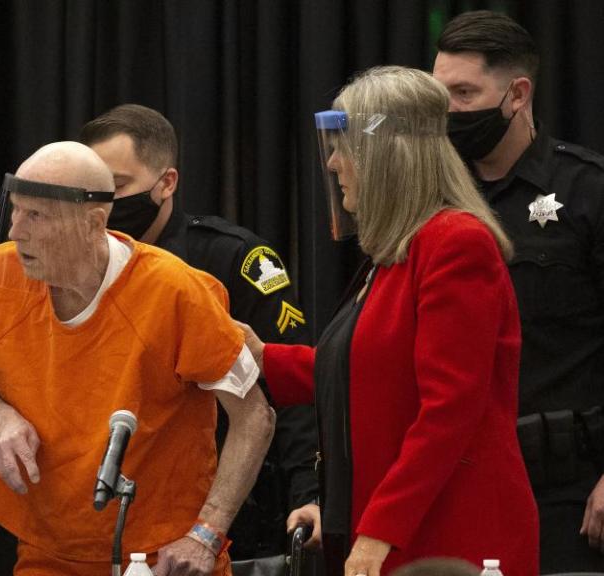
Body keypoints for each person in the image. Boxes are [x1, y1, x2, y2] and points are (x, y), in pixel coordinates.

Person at [239, 66, 538, 576]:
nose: (332, 163)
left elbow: (449, 411)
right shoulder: (398, 253)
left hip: (448, 537)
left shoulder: (454, 244)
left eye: (344, 146)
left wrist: (380, 530)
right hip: (399, 531)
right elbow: (365, 372)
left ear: (385, 156)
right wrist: (259, 358)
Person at [0, 141, 275, 576]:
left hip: (163, 557)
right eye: (15, 210)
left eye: (36, 216)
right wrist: (1, 419)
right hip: (47, 552)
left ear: (93, 222)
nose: (15, 231)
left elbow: (256, 418)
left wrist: (207, 533)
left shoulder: (174, 291)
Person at [79, 104, 320, 559]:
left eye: (117, 188)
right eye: (90, 191)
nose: (101, 206)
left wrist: (309, 492)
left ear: (166, 183)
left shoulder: (232, 259)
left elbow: (290, 385)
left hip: (220, 510)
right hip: (103, 507)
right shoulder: (77, 266)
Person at [433, 11, 604, 572]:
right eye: (440, 95)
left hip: (568, 486)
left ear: (517, 95)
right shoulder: (435, 202)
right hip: (458, 481)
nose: (449, 112)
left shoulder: (586, 192)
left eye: (464, 93)